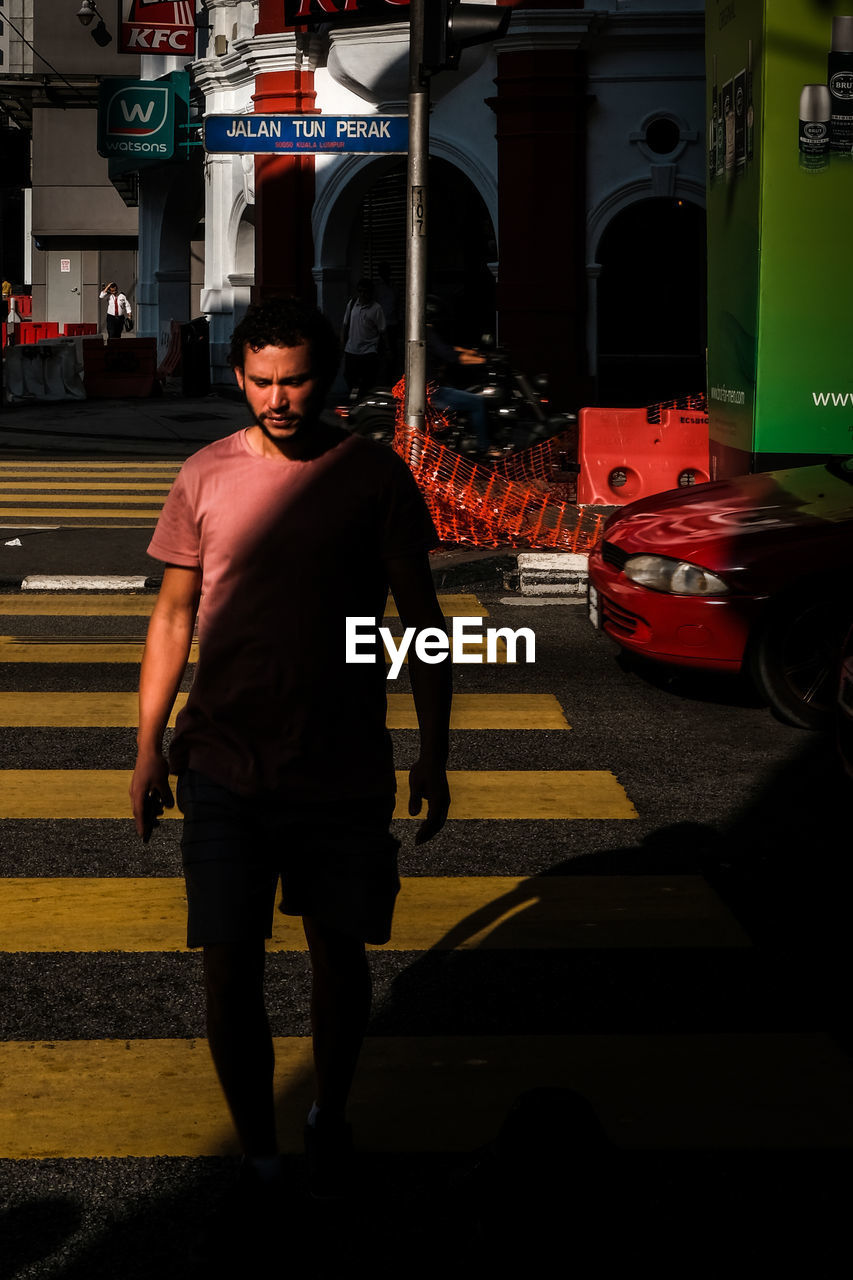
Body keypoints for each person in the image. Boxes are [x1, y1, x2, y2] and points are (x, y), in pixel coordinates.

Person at [129, 296, 452, 1241]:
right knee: (226, 967)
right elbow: (171, 619)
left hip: (343, 767)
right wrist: (148, 746)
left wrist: (434, 747)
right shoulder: (203, 475)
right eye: (263, 380)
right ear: (238, 375)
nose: (280, 397)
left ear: (328, 376)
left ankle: (324, 1117)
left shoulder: (374, 477)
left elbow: (420, 621)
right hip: (222, 764)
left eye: (298, 378)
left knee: (337, 959)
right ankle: (258, 1151)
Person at [426, 303, 492, 455]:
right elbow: (450, 355)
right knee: (477, 401)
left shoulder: (425, 332)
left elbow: (448, 348)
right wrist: (483, 361)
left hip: (432, 387)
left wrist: (473, 352)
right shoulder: (428, 331)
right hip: (433, 392)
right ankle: (485, 448)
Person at [341, 277, 386, 397]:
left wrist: (387, 349)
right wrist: (342, 343)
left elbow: (382, 331)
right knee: (349, 376)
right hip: (352, 349)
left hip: (368, 351)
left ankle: (363, 399)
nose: (363, 294)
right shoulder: (352, 304)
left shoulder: (376, 308)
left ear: (371, 293)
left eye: (366, 292)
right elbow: (345, 325)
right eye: (360, 291)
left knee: (368, 380)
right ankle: (355, 398)